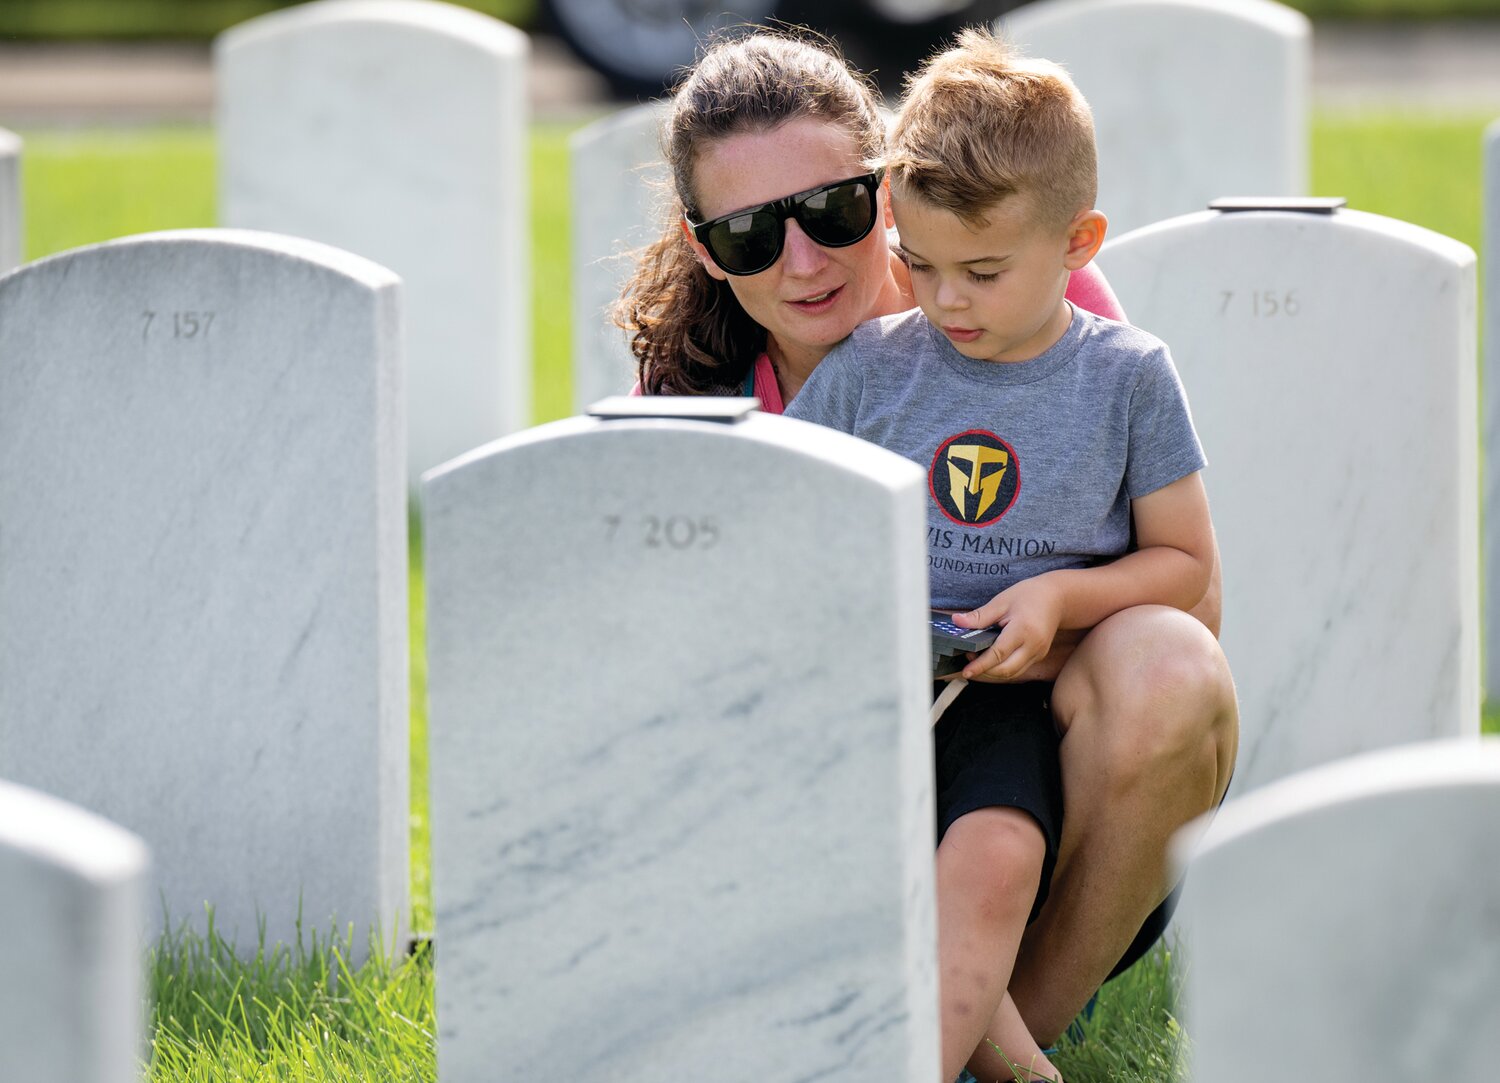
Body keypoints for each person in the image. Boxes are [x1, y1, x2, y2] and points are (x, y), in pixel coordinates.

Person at [617, 27, 1238, 1082]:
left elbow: (1190, 595)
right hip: (830, 770)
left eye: (835, 211)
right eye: (752, 235)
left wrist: (1038, 624)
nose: (805, 260)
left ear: (887, 187)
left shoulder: (1057, 321)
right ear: (705, 246)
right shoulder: (698, 397)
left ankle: (1008, 1023)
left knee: (1167, 671)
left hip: (1042, 756)